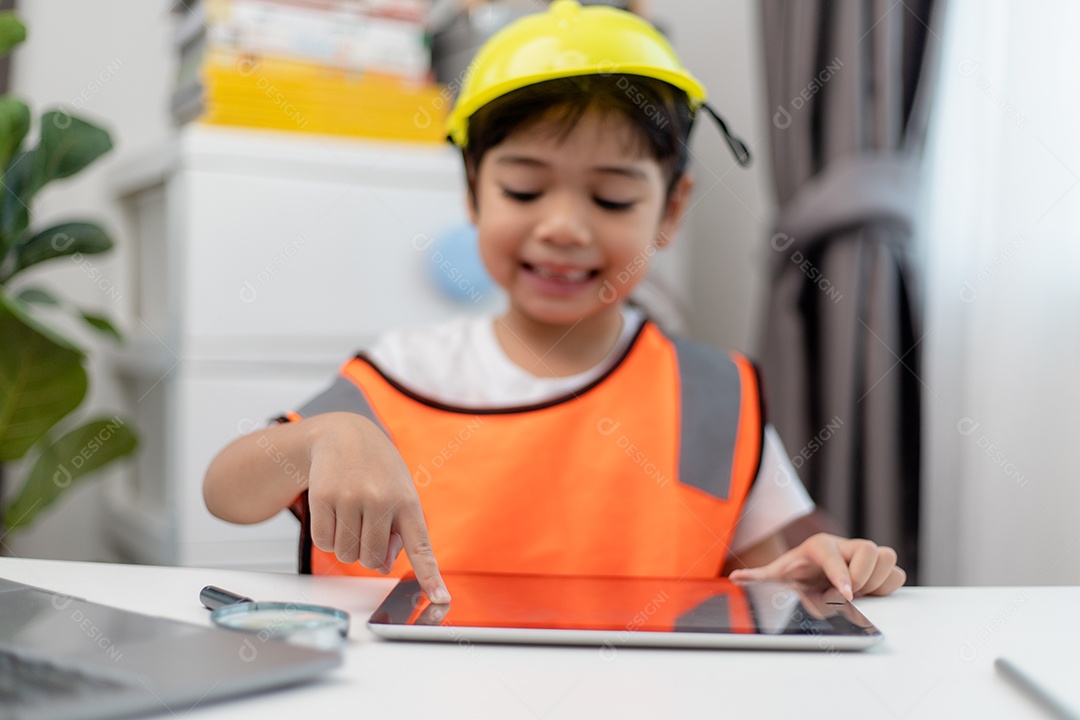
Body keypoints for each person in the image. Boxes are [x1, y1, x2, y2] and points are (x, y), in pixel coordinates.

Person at [203, 0, 906, 606]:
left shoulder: (713, 395)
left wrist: (828, 564)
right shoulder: (399, 374)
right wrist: (322, 438)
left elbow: (790, 556)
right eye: (524, 191)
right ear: (473, 191)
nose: (564, 226)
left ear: (671, 210)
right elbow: (225, 493)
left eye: (611, 198)